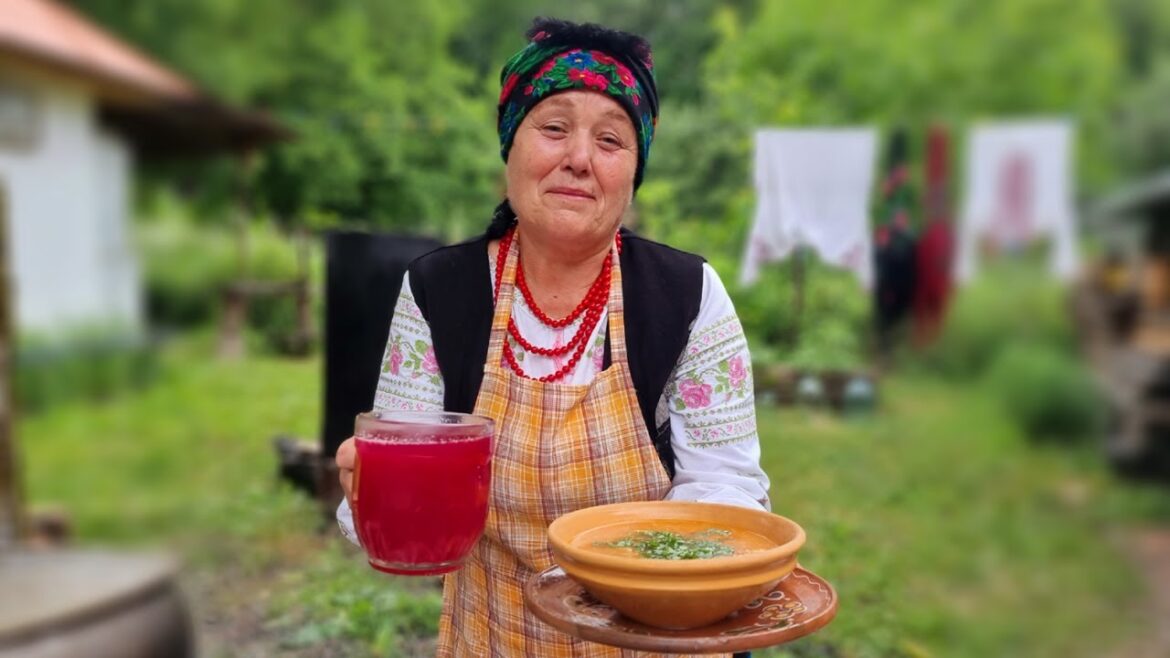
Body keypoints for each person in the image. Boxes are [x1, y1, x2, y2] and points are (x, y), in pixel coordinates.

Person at [335, 17, 770, 656]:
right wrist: (379, 496)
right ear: (510, 147)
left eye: (611, 139)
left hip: (656, 638)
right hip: (495, 636)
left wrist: (677, 574)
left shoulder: (685, 294)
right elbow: (407, 475)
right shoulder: (439, 290)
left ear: (634, 173)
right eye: (554, 127)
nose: (579, 159)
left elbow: (725, 490)